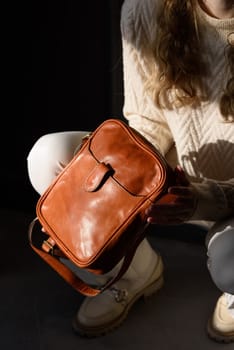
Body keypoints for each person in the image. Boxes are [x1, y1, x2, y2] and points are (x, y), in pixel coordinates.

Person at [27, 0, 234, 343]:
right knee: (50, 159)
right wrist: (137, 181)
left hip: (226, 199)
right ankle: (132, 274)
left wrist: (202, 198)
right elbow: (145, 122)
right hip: (167, 179)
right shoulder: (145, 9)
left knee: (231, 263)